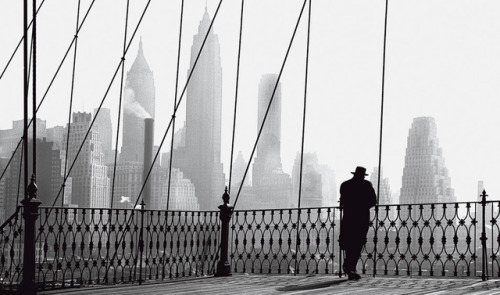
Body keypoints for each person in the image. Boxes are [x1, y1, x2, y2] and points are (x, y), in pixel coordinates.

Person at [339, 166, 377, 280]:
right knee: (358, 243)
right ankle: (351, 267)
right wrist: (362, 206)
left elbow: (343, 200)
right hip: (361, 218)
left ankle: (348, 265)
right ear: (363, 175)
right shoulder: (366, 185)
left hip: (348, 217)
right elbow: (373, 201)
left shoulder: (345, 185)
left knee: (348, 241)